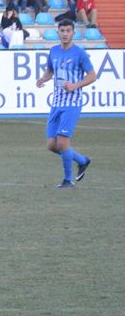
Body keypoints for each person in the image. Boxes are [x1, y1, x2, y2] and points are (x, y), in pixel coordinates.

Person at [36, 19, 97, 189]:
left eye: (68, 30)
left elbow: (92, 75)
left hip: (72, 103)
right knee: (51, 145)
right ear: (58, 32)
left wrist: (75, 85)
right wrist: (43, 79)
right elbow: (50, 70)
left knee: (62, 143)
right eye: (62, 30)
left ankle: (68, 180)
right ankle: (82, 160)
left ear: (73, 33)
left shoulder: (80, 53)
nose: (65, 34)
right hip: (56, 102)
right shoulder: (54, 51)